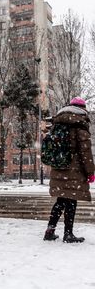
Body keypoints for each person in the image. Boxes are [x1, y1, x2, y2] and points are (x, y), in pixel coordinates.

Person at [43, 97, 95, 243]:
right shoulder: (79, 124)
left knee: (60, 201)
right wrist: (90, 172)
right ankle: (68, 234)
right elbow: (85, 152)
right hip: (74, 169)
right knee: (71, 201)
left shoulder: (58, 122)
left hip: (59, 166)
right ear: (82, 109)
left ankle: (50, 230)